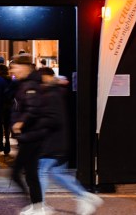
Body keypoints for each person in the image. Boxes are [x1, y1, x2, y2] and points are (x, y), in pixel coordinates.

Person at [36, 68, 104, 215]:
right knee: (57, 173)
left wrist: (37, 124)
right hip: (59, 141)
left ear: (47, 78)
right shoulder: (56, 92)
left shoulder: (50, 95)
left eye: (40, 79)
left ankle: (39, 206)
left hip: (52, 142)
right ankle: (84, 195)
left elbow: (54, 120)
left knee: (41, 172)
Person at [9, 54, 50, 215]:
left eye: (15, 67)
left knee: (16, 173)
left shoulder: (31, 85)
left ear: (25, 67)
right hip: (30, 136)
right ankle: (37, 206)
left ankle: (36, 205)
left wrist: (20, 122)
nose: (13, 70)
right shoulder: (25, 84)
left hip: (31, 136)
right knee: (31, 173)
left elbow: (33, 109)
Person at [0, 61, 12, 155]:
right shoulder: (10, 79)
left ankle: (0, 143)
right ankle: (7, 143)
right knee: (7, 126)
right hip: (8, 105)